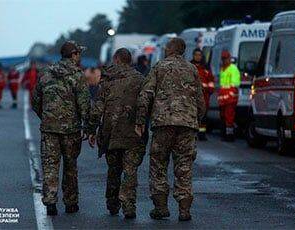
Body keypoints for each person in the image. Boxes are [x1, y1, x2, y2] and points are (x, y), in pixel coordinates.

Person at [135, 38, 205, 221]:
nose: (165, 49)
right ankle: (184, 209)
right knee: (184, 166)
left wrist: (141, 121)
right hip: (187, 125)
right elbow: (200, 100)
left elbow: (146, 95)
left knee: (158, 164)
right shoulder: (192, 69)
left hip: (163, 124)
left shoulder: (159, 67)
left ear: (172, 49)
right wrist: (196, 120)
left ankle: (160, 207)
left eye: (167, 47)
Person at [31, 41, 90, 216]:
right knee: (71, 166)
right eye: (79, 53)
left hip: (49, 129)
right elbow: (84, 104)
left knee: (50, 165)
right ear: (73, 55)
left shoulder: (46, 73)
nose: (80, 56)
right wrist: (88, 126)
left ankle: (50, 202)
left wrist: (47, 117)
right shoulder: (77, 75)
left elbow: (35, 101)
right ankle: (71, 203)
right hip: (71, 130)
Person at [88, 48, 145, 219]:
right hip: (133, 133)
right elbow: (145, 104)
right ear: (130, 60)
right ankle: (128, 205)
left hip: (110, 133)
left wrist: (91, 129)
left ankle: (112, 203)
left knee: (113, 169)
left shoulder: (108, 80)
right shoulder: (140, 79)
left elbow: (98, 107)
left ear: (116, 59)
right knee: (130, 170)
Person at [190, 48, 214, 141]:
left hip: (204, 98)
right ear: (193, 55)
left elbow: (211, 81)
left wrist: (210, 89)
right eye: (196, 55)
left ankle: (202, 134)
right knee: (192, 117)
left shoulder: (206, 68)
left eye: (199, 55)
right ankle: (192, 135)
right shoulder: (189, 66)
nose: (197, 57)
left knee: (203, 118)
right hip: (192, 97)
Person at [217, 50, 240, 142]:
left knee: (229, 117)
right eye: (223, 59)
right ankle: (225, 134)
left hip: (230, 98)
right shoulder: (223, 69)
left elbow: (235, 84)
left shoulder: (233, 69)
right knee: (223, 116)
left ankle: (229, 135)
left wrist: (228, 94)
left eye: (226, 58)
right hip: (224, 98)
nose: (225, 60)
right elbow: (222, 85)